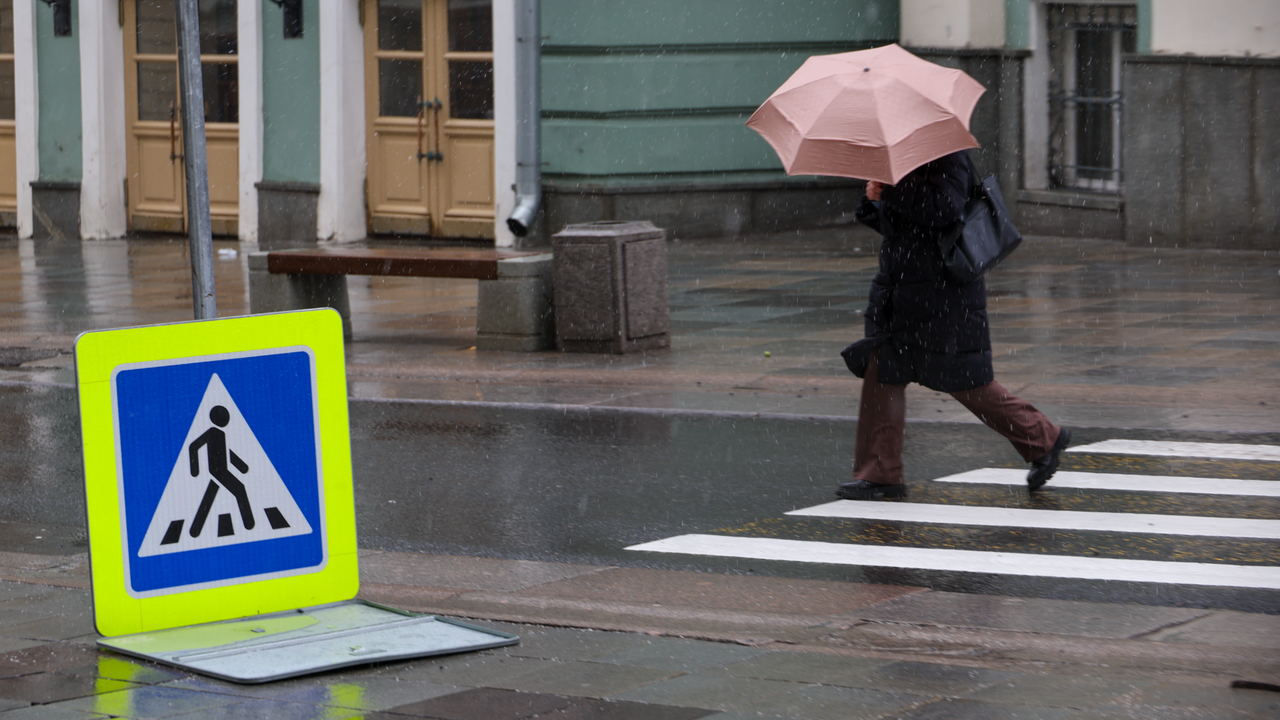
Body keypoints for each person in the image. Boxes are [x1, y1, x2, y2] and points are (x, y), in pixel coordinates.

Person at [838, 150, 1070, 500]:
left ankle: (1042, 437)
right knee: (882, 371)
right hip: (900, 289)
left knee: (965, 380)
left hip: (941, 292)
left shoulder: (946, 154)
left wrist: (891, 192)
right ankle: (880, 472)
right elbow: (901, 225)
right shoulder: (895, 155)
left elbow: (945, 209)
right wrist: (875, 202)